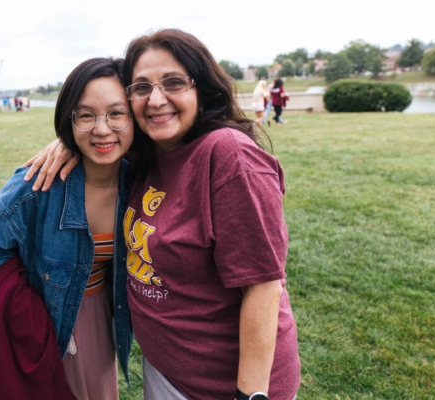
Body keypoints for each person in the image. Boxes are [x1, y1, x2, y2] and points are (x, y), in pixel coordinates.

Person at [24, 29, 301, 400]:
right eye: (141, 87)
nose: (156, 100)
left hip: (219, 387)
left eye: (173, 83)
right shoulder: (149, 155)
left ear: (201, 88)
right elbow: (102, 130)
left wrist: (249, 396)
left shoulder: (228, 155)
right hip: (165, 370)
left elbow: (264, 287)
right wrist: (70, 139)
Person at [0, 57, 134, 400]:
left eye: (116, 113)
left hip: (104, 317)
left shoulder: (141, 178)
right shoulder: (38, 185)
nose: (101, 128)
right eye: (85, 115)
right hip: (49, 324)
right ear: (69, 120)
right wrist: (27, 322)